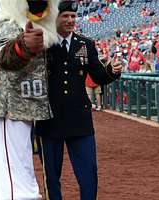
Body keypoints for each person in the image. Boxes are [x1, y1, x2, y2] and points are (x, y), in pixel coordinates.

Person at [35, 1, 122, 200]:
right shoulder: (43, 44)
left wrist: (112, 71)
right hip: (49, 119)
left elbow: (99, 75)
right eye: (65, 16)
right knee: (51, 177)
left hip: (79, 119)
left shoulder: (86, 44)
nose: (70, 20)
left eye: (73, 16)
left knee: (88, 173)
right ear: (55, 18)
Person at [0, 0, 60, 199]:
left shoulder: (44, 26)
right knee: (18, 179)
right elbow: (1, 56)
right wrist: (21, 47)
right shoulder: (6, 22)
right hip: (9, 107)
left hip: (22, 106)